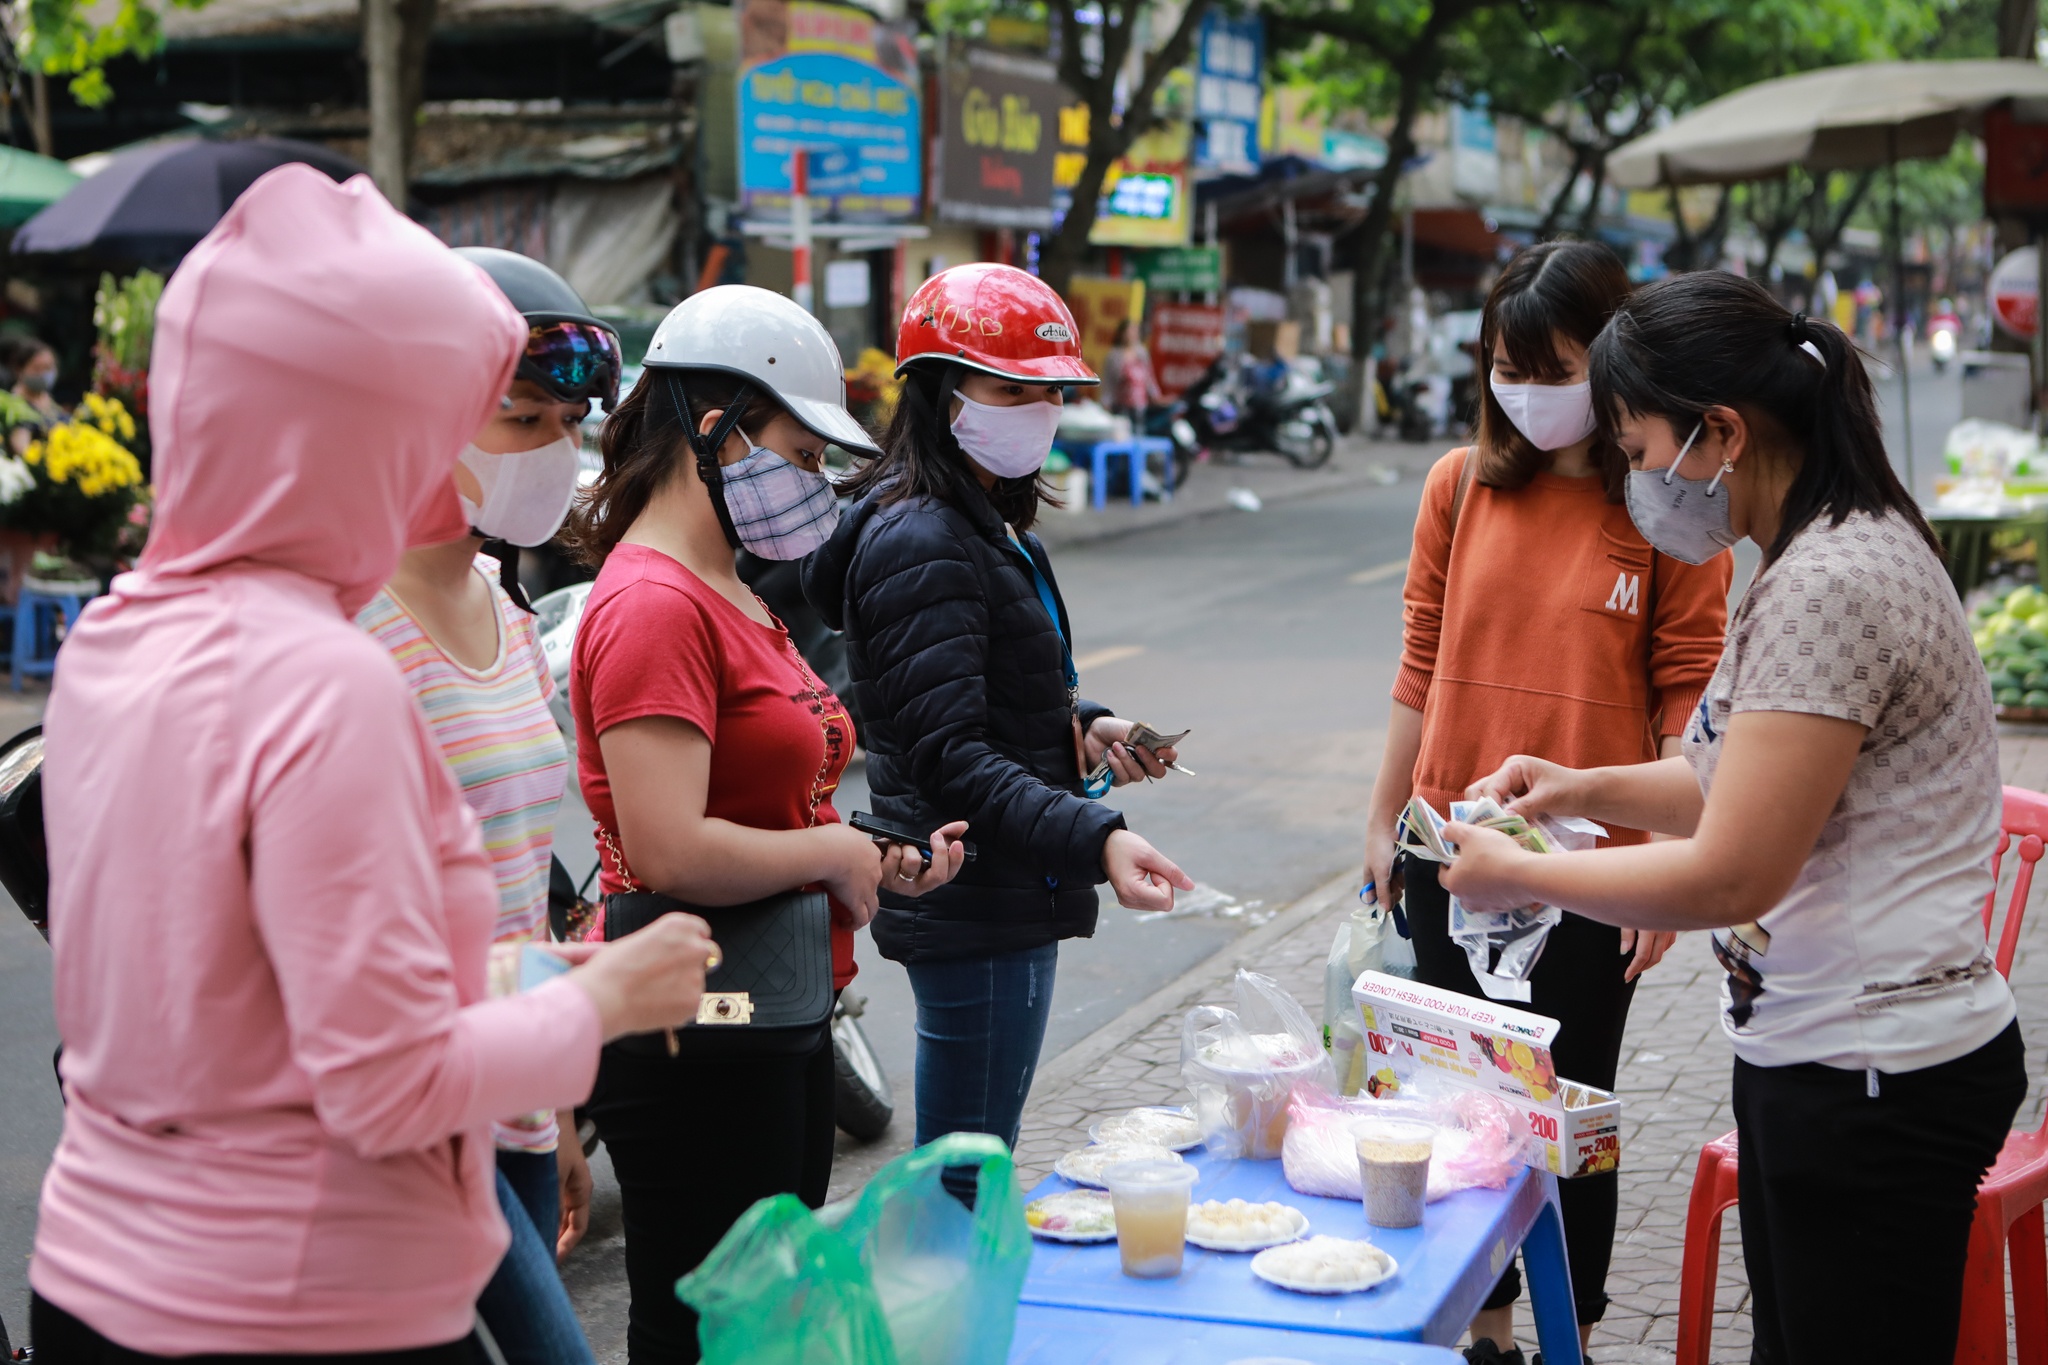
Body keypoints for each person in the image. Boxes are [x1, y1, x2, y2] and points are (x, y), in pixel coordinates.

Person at [27, 165, 715, 1361]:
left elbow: (259, 1006)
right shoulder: (324, 679)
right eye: (432, 421)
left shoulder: (119, 636)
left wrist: (526, 977)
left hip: (97, 1280)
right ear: (358, 433)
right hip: (305, 1306)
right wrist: (605, 999)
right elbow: (386, 1086)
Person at [1440, 271, 2025, 1365]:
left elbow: (1728, 874)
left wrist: (1521, 875)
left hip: (1875, 1073)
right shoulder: (1810, 552)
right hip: (1835, 1051)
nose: (1633, 477)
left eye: (1638, 445)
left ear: (1719, 434)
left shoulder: (1829, 582)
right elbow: (1730, 775)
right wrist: (1576, 789)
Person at [563, 283, 967, 1364]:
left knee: (767, 1322)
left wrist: (869, 858)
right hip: (693, 1030)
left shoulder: (731, 587)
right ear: (715, 430)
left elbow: (775, 799)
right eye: (796, 452)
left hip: (777, 1005)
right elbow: (666, 846)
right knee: (701, 1328)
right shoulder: (652, 602)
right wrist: (831, 853)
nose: (812, 483)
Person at [1360, 241, 1732, 1365]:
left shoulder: (1666, 509)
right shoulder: (1455, 486)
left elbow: (1689, 696)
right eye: (1504, 365)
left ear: (1612, 362)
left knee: (1568, 1114)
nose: (1525, 388)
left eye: (1552, 364)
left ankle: (1568, 1328)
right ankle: (1487, 1335)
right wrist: (1382, 821)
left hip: (1590, 871)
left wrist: (1673, 867)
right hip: (1450, 852)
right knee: (1458, 1109)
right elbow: (1419, 658)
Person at [804, 263, 1194, 1188]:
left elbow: (989, 692)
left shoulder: (979, 523)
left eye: (1049, 392)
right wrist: (1099, 835)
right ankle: (948, 1331)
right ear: (944, 394)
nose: (1039, 410)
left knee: (975, 1166)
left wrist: (1087, 725)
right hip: (972, 895)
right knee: (962, 1186)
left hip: (1005, 884)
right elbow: (951, 753)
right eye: (1012, 390)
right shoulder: (922, 538)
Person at [358, 247, 623, 1365]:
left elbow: (521, 892)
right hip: (418, 1120)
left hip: (513, 1093)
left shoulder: (510, 620)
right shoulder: (350, 635)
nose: (555, 455)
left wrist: (558, 1113)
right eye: (523, 421)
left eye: (569, 424)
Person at [1101, 317, 1160, 431]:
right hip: (1120, 404)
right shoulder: (1114, 355)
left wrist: (1156, 396)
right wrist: (1105, 402)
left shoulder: (1141, 353)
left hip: (1139, 404)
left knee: (1138, 431)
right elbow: (1108, 382)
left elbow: (1149, 377)